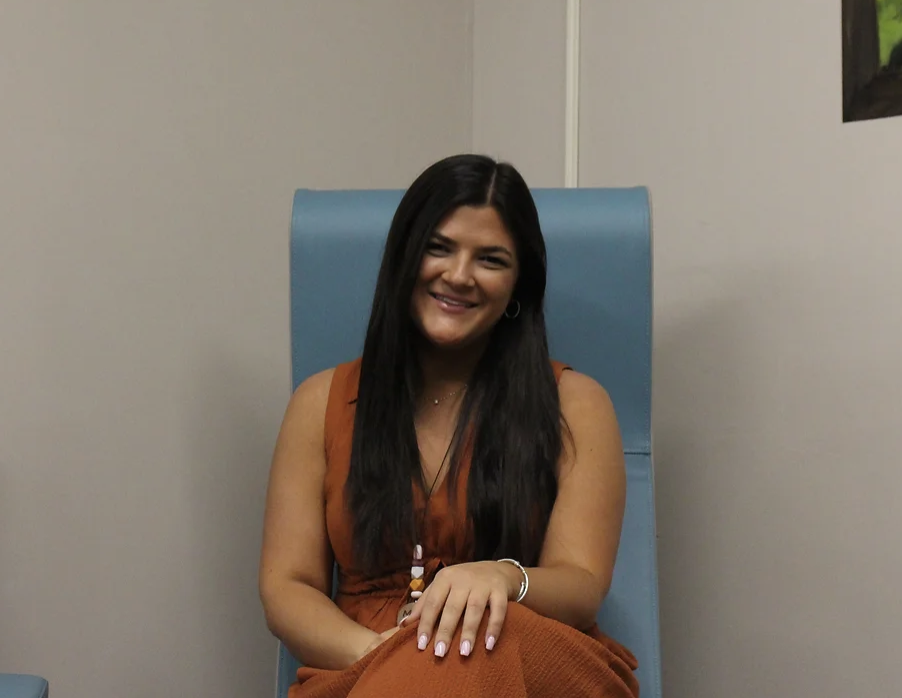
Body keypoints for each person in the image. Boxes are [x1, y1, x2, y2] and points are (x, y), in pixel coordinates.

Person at [258, 154, 639, 697]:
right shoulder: (318, 403)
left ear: (517, 285)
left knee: (474, 635)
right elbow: (286, 587)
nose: (458, 276)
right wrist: (393, 661)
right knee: (439, 663)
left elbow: (580, 584)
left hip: (531, 661)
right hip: (358, 668)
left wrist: (502, 577)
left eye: (490, 259)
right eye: (438, 248)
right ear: (404, 257)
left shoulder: (576, 404)